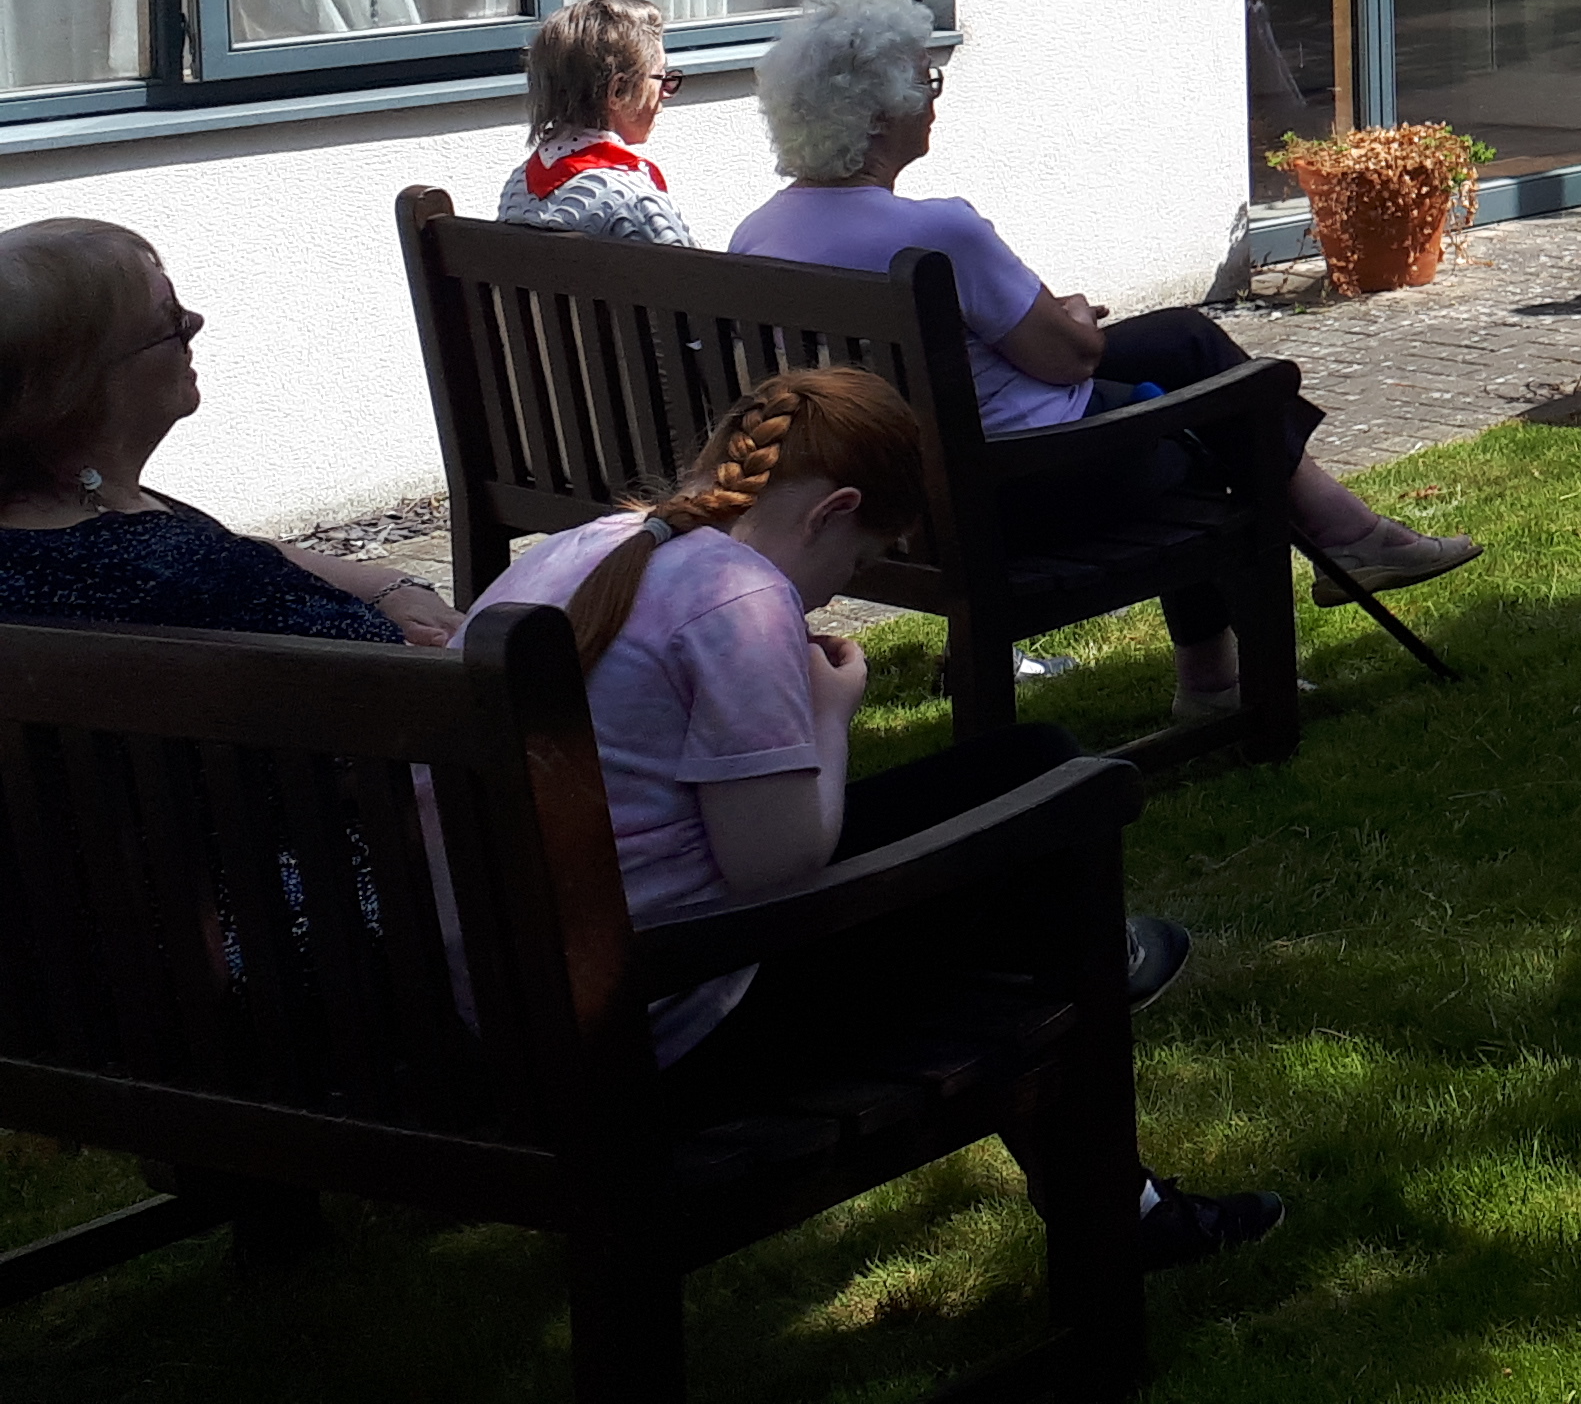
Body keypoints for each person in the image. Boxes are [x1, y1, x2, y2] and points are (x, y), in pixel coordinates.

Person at [467, 367, 1280, 1268]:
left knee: (1033, 766)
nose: (827, 596)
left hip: (514, 1005)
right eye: (853, 563)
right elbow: (776, 868)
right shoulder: (736, 596)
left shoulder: (578, 551)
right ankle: (1106, 1084)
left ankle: (1119, 1147)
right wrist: (831, 713)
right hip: (665, 1031)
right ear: (831, 510)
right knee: (1050, 821)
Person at [729, 0, 1476, 725]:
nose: (933, 100)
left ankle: (1335, 551)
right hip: (1025, 487)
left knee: (1186, 340)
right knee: (1224, 428)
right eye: (924, 81)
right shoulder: (939, 233)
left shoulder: (758, 236)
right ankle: (1239, 662)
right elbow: (1070, 360)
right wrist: (1075, 317)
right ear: (880, 110)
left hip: (907, 502)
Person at [0, 217, 454, 642]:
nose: (195, 324)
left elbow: (226, 549)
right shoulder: (190, 579)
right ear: (81, 388)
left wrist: (382, 582)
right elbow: (423, 681)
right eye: (171, 321)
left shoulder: (60, 511)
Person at [497, 0, 699, 244]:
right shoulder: (633, 201)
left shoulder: (516, 189)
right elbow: (692, 280)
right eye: (660, 78)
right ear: (617, 91)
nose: (665, 94)